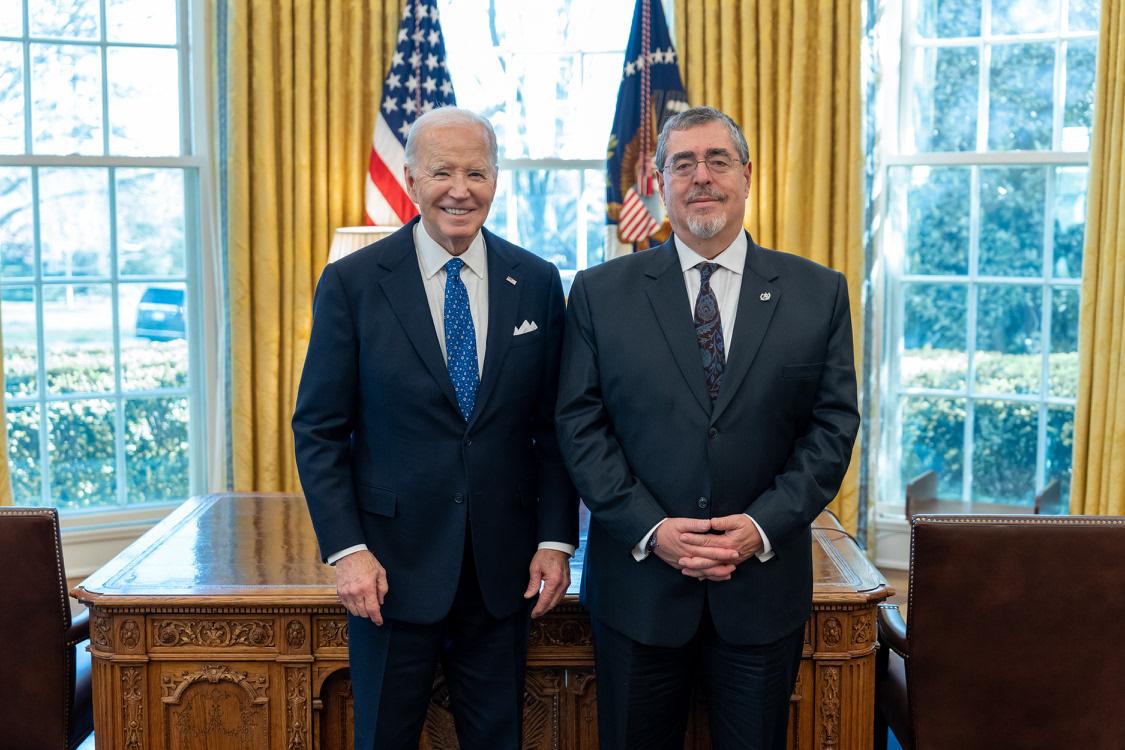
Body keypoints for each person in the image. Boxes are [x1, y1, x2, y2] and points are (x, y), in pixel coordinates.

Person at [556, 106, 859, 750]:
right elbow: (580, 426)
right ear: (660, 181)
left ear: (747, 176)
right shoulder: (598, 293)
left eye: (717, 160)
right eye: (683, 163)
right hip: (638, 590)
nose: (702, 177)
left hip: (761, 591)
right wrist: (649, 529)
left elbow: (832, 430)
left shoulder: (818, 293)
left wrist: (760, 527)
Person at [292, 107, 578, 750]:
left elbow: (554, 428)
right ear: (411, 177)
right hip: (388, 573)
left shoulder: (535, 281)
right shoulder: (354, 282)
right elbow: (318, 428)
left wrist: (557, 540)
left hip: (504, 573)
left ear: (496, 179)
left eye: (476, 171)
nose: (460, 188)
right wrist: (348, 552)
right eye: (442, 171)